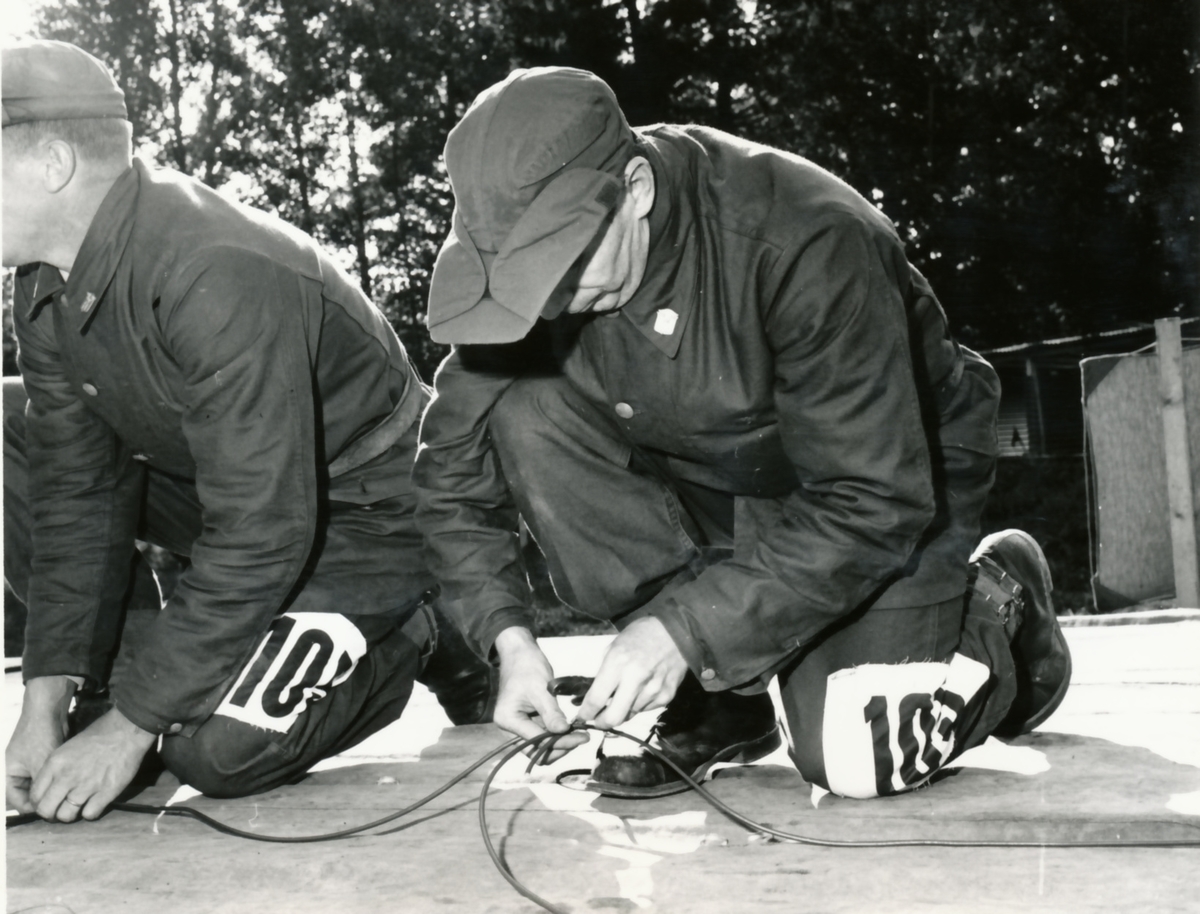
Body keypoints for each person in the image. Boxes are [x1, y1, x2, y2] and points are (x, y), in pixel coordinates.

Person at [413, 66, 1072, 800]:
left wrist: (689, 628)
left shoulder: (811, 240)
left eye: (562, 266)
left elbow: (873, 496)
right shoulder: (536, 282)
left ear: (634, 190)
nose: (549, 303)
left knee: (859, 756)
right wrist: (508, 639)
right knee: (522, 407)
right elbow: (449, 476)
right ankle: (721, 687)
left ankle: (1000, 607)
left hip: (887, 484)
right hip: (720, 469)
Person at [3, 40, 495, 823]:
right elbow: (75, 494)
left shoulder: (215, 267)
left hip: (371, 519)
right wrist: (49, 700)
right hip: (238, 492)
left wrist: (139, 723)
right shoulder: (43, 287)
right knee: (10, 419)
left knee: (209, 748)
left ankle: (422, 629)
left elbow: (265, 529)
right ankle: (120, 681)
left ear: (53, 162)